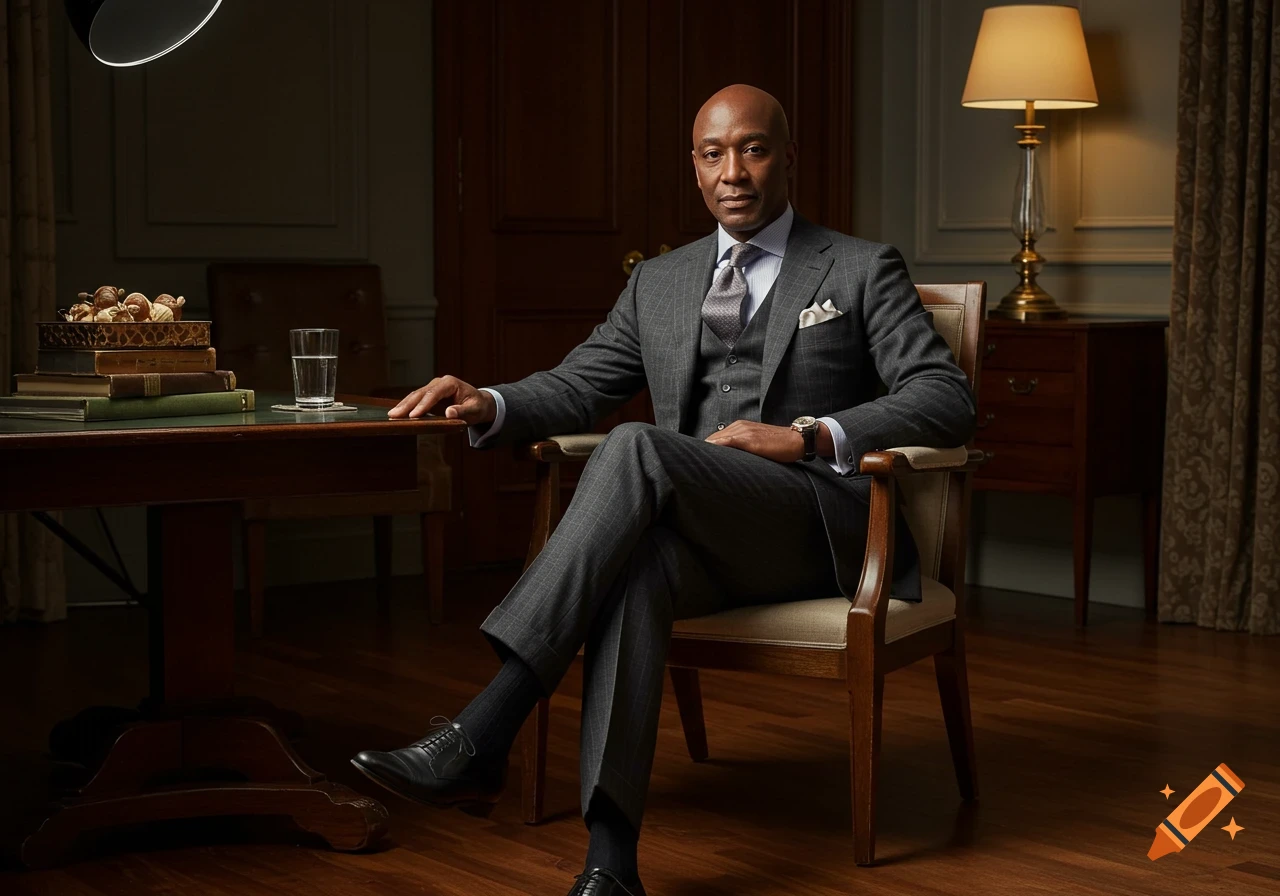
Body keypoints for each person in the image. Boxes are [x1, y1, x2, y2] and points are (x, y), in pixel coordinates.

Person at [351, 84, 975, 896]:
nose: (733, 173)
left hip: (820, 529)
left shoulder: (858, 267)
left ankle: (488, 725)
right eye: (713, 154)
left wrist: (810, 433)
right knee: (637, 567)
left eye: (752, 149)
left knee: (638, 446)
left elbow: (944, 397)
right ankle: (611, 866)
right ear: (693, 166)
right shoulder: (661, 282)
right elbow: (581, 383)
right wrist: (491, 401)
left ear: (789, 158)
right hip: (710, 535)